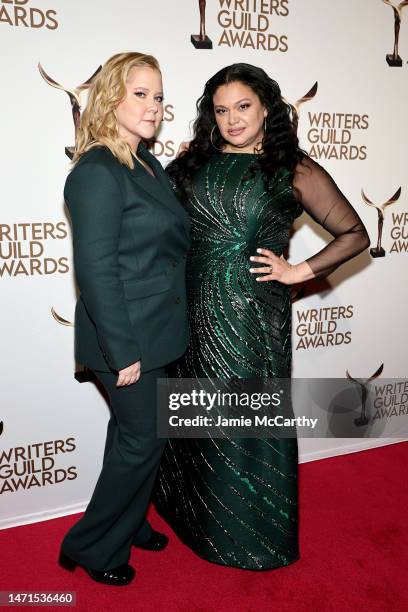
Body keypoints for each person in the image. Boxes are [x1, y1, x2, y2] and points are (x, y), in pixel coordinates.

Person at [153, 63, 370, 570]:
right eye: (221, 110)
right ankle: (194, 519)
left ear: (267, 107)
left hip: (252, 318)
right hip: (190, 312)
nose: (232, 119)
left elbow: (355, 235)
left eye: (243, 107)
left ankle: (253, 536)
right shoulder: (190, 166)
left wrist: (300, 271)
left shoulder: (292, 168)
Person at [58, 52, 190, 586]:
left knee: (136, 435)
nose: (153, 106)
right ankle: (93, 546)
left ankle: (130, 523)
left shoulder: (145, 163)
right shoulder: (96, 171)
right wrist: (123, 351)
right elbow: (95, 271)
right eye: (140, 93)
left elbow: (158, 234)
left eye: (158, 96)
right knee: (141, 440)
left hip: (155, 328)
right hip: (127, 337)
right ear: (111, 96)